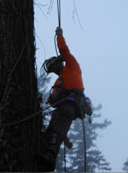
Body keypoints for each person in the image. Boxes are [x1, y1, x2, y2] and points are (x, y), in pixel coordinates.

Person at [38, 27, 86, 171]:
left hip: (71, 105)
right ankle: (43, 153)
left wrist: (59, 36)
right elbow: (53, 99)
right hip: (62, 108)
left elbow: (64, 51)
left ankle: (50, 156)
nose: (54, 70)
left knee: (57, 129)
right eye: (52, 70)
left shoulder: (72, 67)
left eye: (53, 67)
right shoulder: (58, 82)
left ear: (59, 62)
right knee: (50, 131)